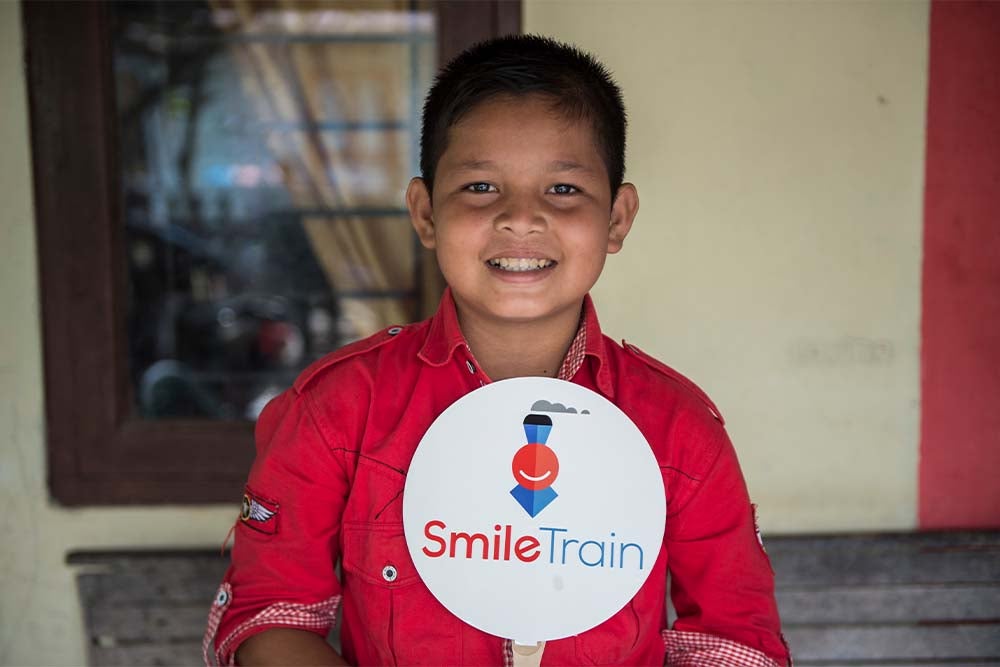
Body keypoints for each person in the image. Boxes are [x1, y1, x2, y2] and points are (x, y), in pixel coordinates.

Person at [204, 34, 790, 667]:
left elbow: (734, 643)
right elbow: (269, 615)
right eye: (481, 188)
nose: (520, 218)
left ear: (616, 219)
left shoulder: (678, 430)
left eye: (563, 190)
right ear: (425, 213)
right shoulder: (339, 409)